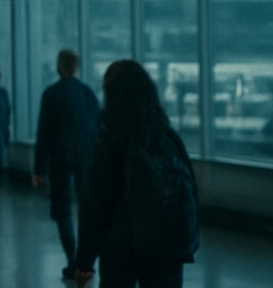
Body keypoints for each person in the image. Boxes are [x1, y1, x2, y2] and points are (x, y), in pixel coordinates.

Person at [75, 60, 198, 287]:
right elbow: (190, 190)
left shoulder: (109, 139)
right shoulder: (167, 137)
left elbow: (96, 202)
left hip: (122, 245)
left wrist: (84, 260)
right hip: (167, 244)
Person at [34, 49, 101, 280]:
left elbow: (43, 133)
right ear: (77, 66)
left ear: (59, 66)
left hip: (60, 159)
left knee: (62, 209)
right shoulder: (88, 94)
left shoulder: (52, 94)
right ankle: (86, 261)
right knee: (88, 209)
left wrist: (39, 170)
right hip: (86, 158)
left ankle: (72, 260)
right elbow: (98, 129)